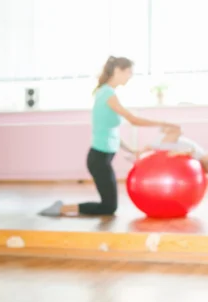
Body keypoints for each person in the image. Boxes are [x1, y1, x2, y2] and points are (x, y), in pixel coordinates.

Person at [39, 56, 181, 217]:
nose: (130, 76)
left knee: (109, 205)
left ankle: (62, 207)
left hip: (102, 158)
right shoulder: (107, 94)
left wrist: (131, 149)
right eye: (129, 72)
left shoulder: (107, 92)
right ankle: (61, 208)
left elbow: (110, 131)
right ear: (117, 71)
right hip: (98, 159)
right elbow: (133, 119)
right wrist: (165, 123)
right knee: (108, 207)